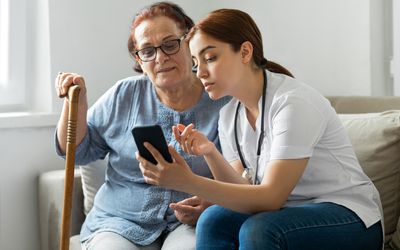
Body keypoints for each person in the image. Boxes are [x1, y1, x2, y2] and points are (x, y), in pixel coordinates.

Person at [137, 8, 384, 250]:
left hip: (349, 217)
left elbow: (270, 198)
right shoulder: (229, 115)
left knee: (259, 229)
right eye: (195, 62)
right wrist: (210, 152)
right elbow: (241, 194)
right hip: (287, 214)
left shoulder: (293, 103)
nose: (200, 72)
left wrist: (188, 181)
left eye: (210, 58)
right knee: (214, 219)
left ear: (245, 52)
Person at [54, 2, 230, 250]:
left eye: (170, 44)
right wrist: (77, 104)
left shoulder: (223, 99)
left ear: (189, 41)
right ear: (139, 59)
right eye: (147, 51)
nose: (161, 58)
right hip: (119, 222)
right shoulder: (123, 94)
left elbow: (246, 177)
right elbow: (76, 151)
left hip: (190, 224)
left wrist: (214, 204)